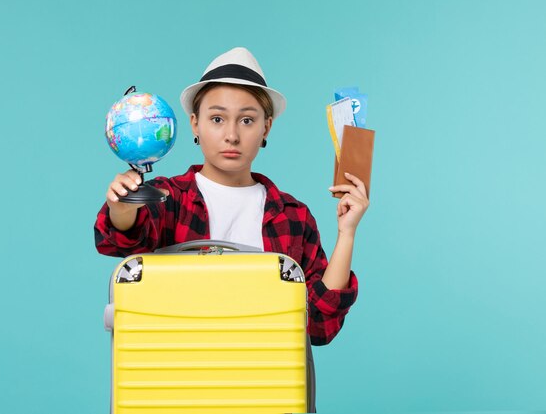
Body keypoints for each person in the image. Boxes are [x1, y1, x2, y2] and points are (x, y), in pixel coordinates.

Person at [94, 47, 369, 411]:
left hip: (265, 395)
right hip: (173, 394)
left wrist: (347, 232)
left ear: (266, 127)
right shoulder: (167, 198)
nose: (232, 136)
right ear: (195, 124)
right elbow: (121, 238)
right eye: (218, 119)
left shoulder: (292, 216)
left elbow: (318, 324)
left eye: (247, 120)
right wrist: (121, 205)